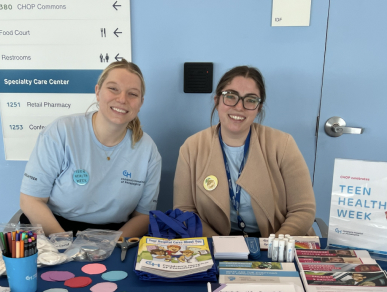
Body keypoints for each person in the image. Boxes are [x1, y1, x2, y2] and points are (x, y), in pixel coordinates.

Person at [20, 60, 162, 236]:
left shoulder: (148, 151)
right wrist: (65, 245)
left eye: (132, 94)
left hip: (115, 236)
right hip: (55, 229)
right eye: (113, 89)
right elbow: (30, 200)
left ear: (140, 103)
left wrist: (111, 246)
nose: (122, 99)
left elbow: (143, 215)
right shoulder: (61, 132)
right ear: (97, 92)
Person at [173, 65, 316, 238]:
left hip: (277, 242)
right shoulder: (191, 147)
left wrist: (274, 246)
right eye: (230, 96)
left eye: (250, 99)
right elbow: (185, 211)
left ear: (259, 108)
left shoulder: (283, 144)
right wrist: (221, 245)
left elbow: (303, 209)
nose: (239, 107)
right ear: (217, 100)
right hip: (216, 241)